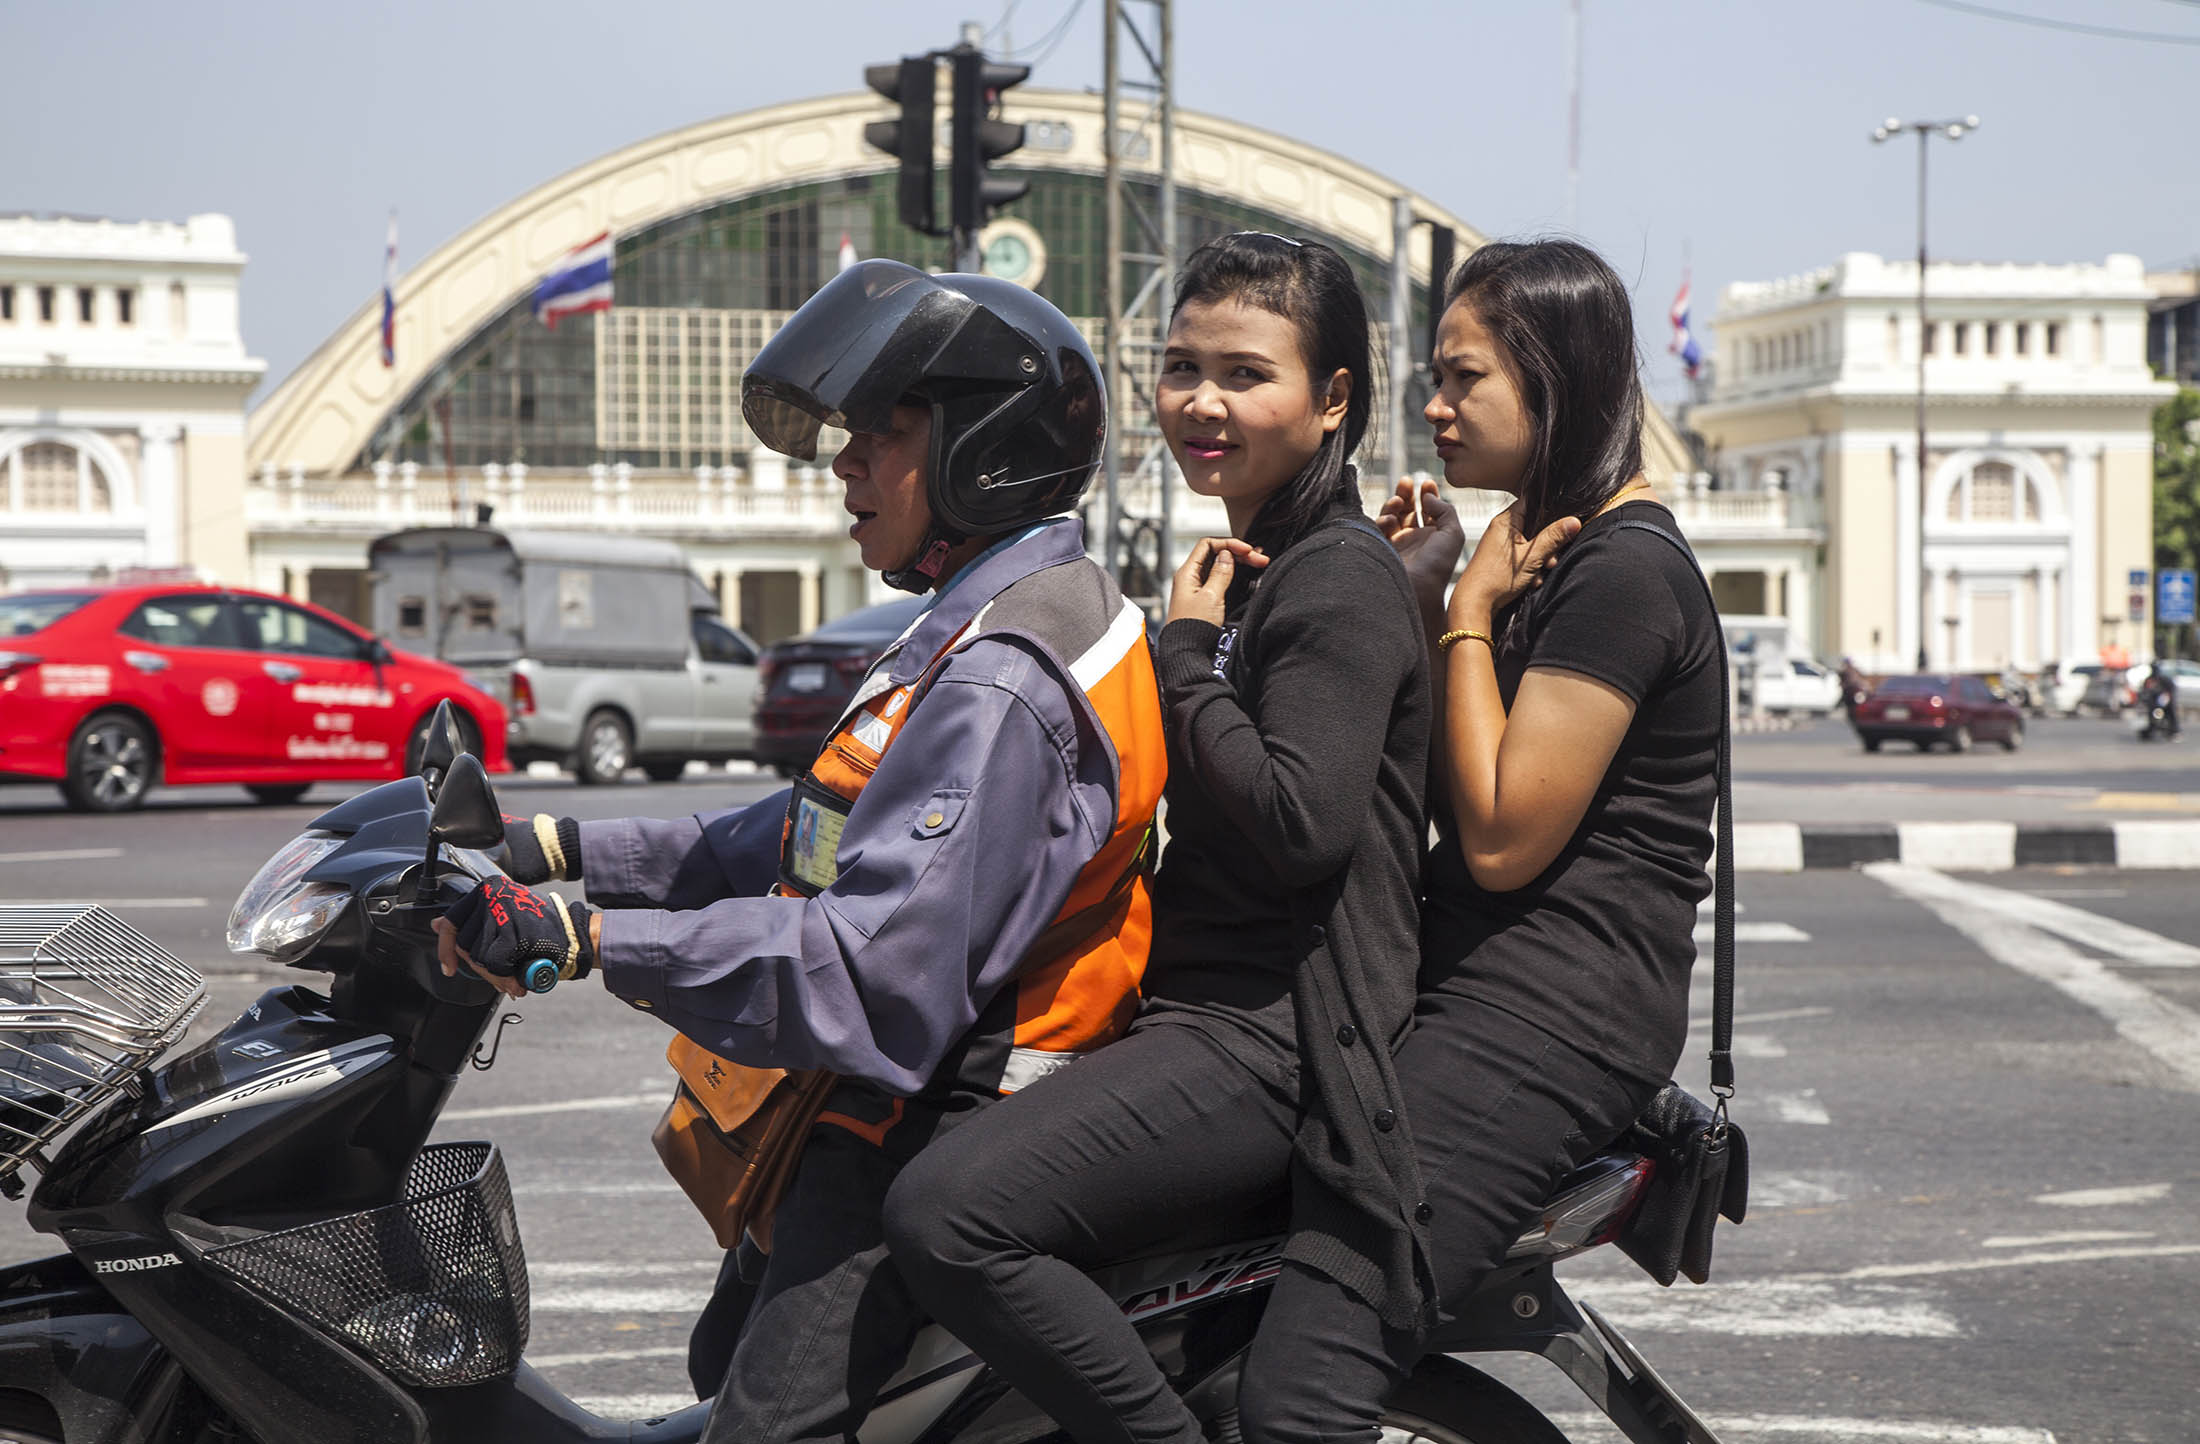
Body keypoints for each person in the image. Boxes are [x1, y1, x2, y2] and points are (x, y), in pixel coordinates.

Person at [434, 259, 1168, 1444]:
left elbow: (870, 959)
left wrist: (582, 941)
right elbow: (806, 828)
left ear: (986, 448)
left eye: (882, 434)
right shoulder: (979, 615)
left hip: (936, 1117)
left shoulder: (999, 677)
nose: (845, 464)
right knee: (720, 1354)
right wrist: (553, 846)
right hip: (877, 1093)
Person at [880, 231, 1435, 1444]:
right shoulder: (1262, 564)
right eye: (1182, 367)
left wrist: (1183, 652)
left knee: (948, 1214)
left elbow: (1297, 820)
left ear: (1332, 398)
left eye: (1245, 373)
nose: (1202, 402)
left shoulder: (1331, 575)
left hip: (1273, 1037)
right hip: (1192, 1009)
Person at [1234, 238, 1725, 1443]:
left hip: (1547, 1024)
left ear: (1554, 384)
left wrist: (1459, 620)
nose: (1436, 409)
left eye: (1464, 380)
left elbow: (1501, 834)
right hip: (1477, 994)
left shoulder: (1624, 575)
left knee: (1303, 1389)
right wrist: (1428, 599)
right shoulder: (1546, 558)